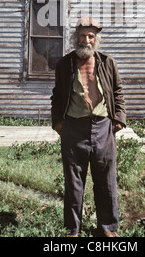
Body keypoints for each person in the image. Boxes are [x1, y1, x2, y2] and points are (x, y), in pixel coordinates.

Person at [51, 18, 126, 237]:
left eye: (90, 36)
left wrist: (118, 118)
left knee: (106, 180)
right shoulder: (65, 64)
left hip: (103, 126)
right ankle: (73, 230)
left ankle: (107, 228)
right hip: (74, 128)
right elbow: (57, 95)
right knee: (74, 181)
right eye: (82, 36)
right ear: (76, 38)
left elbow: (118, 91)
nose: (86, 40)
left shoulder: (107, 62)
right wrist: (58, 123)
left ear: (96, 39)